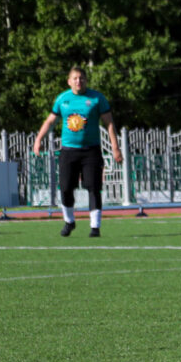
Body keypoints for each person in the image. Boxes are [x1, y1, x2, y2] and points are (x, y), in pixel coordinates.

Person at [32, 66, 122, 238]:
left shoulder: (97, 98)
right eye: (75, 78)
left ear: (86, 80)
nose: (78, 81)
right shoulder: (62, 99)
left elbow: (109, 123)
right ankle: (69, 221)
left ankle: (95, 227)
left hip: (91, 151)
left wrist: (115, 148)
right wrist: (38, 140)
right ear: (69, 81)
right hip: (68, 151)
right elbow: (50, 121)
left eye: (81, 78)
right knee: (66, 187)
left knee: (93, 187)